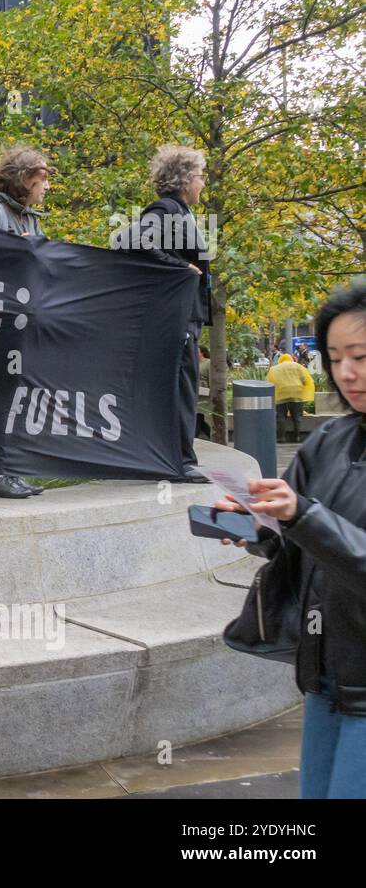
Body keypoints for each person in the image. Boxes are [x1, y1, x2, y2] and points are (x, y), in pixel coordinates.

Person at [214, 283, 366, 798]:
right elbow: (295, 539)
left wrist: (303, 514)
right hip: (324, 675)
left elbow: (316, 524)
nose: (347, 373)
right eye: (337, 357)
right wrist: (256, 526)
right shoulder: (329, 440)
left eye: (362, 356)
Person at [114, 144, 211, 482]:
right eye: (199, 176)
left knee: (180, 386)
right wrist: (181, 267)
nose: (203, 183)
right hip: (177, 316)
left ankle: (178, 458)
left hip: (183, 314)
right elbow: (130, 242)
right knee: (178, 387)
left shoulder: (178, 212)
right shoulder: (166, 210)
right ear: (184, 179)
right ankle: (178, 461)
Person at [0, 146, 51, 499]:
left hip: (22, 318)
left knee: (14, 393)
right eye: (42, 178)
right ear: (23, 179)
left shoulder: (30, 218)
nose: (46, 186)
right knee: (1, 395)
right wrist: (16, 249)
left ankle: (9, 469)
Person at [267, 353, 315, 443]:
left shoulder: (274, 369)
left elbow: (269, 382)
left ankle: (281, 437)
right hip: (296, 394)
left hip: (281, 395)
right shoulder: (298, 366)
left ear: (280, 360)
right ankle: (297, 437)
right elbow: (307, 379)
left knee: (281, 416)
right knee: (297, 417)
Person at [196, 345, 212, 439]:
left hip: (204, 396)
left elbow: (211, 379)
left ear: (202, 352)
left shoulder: (208, 363)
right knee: (200, 420)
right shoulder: (195, 363)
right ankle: (213, 436)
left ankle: (194, 438)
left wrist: (210, 391)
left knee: (198, 418)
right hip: (196, 396)